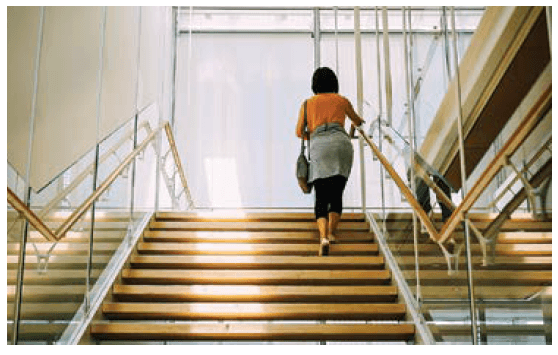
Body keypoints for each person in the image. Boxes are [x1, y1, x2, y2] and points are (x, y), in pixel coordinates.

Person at [296, 67, 365, 256]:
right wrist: (353, 124)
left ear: (314, 84)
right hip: (341, 145)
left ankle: (323, 236)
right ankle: (333, 232)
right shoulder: (341, 100)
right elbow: (358, 121)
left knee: (321, 194)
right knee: (336, 193)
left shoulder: (307, 104)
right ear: (334, 82)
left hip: (319, 146)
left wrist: (317, 133)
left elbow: (299, 132)